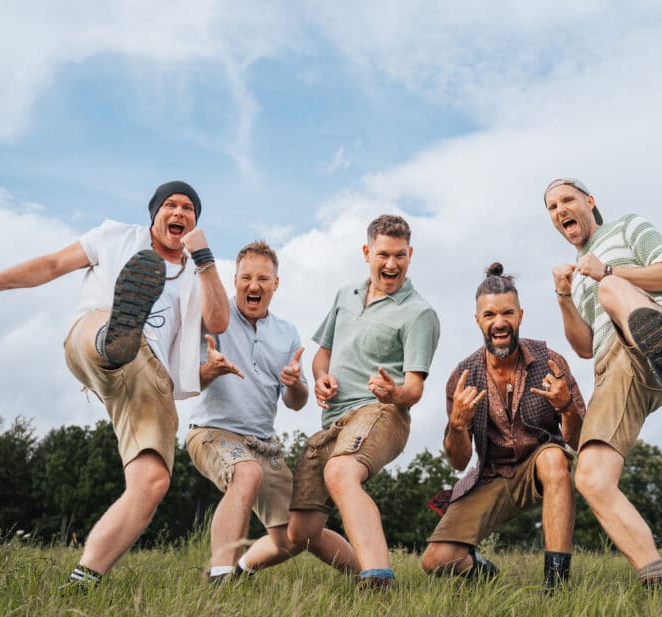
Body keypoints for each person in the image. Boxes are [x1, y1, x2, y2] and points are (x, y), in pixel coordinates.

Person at [0, 180, 229, 591]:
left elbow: (218, 321)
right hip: (92, 337)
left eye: (189, 208)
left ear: (195, 222)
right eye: (171, 205)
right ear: (154, 213)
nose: (179, 213)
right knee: (105, 322)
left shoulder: (196, 272)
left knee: (152, 483)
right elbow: (52, 265)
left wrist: (205, 258)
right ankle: (113, 338)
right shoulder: (115, 237)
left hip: (148, 375)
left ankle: (83, 579)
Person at [544, 177, 662, 589]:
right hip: (615, 365)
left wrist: (608, 271)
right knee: (590, 476)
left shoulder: (628, 227)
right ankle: (657, 576)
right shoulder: (576, 273)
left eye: (567, 199)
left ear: (589, 201)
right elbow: (584, 348)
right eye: (551, 207)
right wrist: (564, 295)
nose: (560, 209)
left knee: (612, 291)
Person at [184, 240, 358, 584]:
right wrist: (209, 370)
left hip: (263, 444)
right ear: (234, 280)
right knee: (246, 474)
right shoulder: (213, 318)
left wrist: (294, 383)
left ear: (275, 284)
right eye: (246, 277)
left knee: (298, 534)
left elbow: (297, 402)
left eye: (263, 279)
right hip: (212, 431)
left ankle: (373, 577)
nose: (254, 285)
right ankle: (219, 578)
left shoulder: (287, 333)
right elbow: (185, 383)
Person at [288, 214, 441, 590]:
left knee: (341, 472)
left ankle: (377, 580)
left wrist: (394, 393)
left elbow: (415, 389)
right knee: (302, 532)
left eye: (400, 255)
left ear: (411, 254)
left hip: (381, 413)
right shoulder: (345, 297)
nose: (392, 264)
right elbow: (321, 355)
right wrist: (321, 378)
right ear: (366, 252)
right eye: (384, 254)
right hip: (334, 422)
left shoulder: (419, 313)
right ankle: (365, 571)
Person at [420, 263, 586, 591]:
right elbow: (457, 460)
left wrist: (566, 407)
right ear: (478, 321)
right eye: (490, 315)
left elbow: (579, 441)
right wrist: (457, 425)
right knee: (435, 561)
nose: (500, 323)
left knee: (554, 459)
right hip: (491, 474)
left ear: (520, 315)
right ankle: (483, 572)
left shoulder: (551, 362)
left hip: (540, 464)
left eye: (507, 313)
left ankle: (557, 585)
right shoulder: (462, 376)